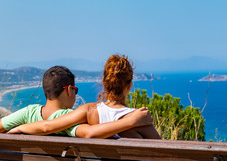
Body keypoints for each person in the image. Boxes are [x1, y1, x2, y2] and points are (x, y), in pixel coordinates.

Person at [8, 55, 161, 139]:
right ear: (129, 85)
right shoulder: (141, 119)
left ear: (103, 82)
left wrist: (20, 127)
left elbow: (47, 126)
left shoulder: (89, 111)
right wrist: (131, 122)